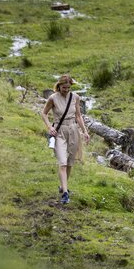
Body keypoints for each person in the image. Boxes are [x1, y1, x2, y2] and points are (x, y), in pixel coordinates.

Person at [40, 74, 90, 204]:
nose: (66, 90)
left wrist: (85, 131)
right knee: (62, 162)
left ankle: (63, 186)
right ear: (59, 86)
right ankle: (65, 194)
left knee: (70, 162)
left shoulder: (75, 97)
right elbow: (44, 113)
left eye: (68, 88)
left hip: (73, 130)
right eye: (64, 88)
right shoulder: (53, 98)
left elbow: (78, 116)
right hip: (59, 131)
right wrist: (49, 127)